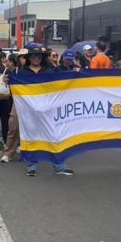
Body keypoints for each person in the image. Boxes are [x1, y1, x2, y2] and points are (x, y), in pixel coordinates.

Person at [18, 46, 74, 176]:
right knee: (32, 137)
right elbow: (17, 88)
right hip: (30, 111)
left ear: (42, 58)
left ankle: (59, 166)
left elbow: (59, 84)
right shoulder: (22, 71)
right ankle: (31, 166)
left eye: (39, 56)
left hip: (48, 110)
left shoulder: (49, 70)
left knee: (53, 136)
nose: (36, 58)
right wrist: (7, 81)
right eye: (33, 56)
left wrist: (75, 76)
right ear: (28, 57)